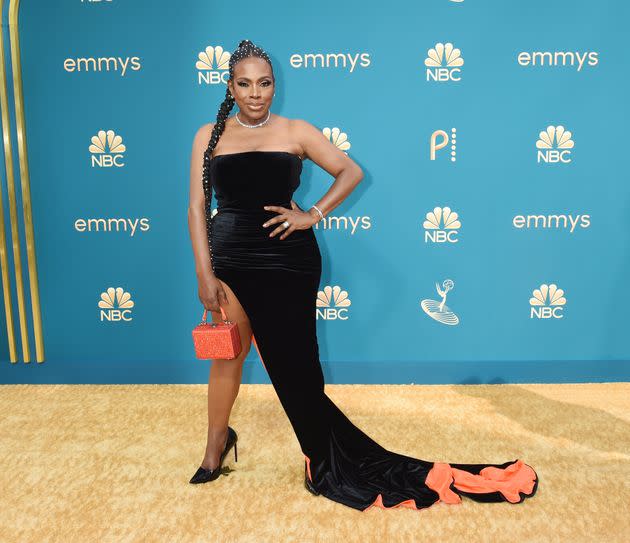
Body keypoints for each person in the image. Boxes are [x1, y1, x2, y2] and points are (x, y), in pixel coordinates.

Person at [186, 39, 539, 511]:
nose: (256, 93)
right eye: (245, 83)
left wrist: (311, 213)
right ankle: (215, 448)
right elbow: (195, 207)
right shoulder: (209, 135)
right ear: (230, 86)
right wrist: (203, 272)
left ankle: (320, 455)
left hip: (287, 264)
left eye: (265, 83)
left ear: (275, 86)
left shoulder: (295, 130)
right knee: (227, 355)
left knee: (298, 371)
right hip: (228, 262)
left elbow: (349, 171)